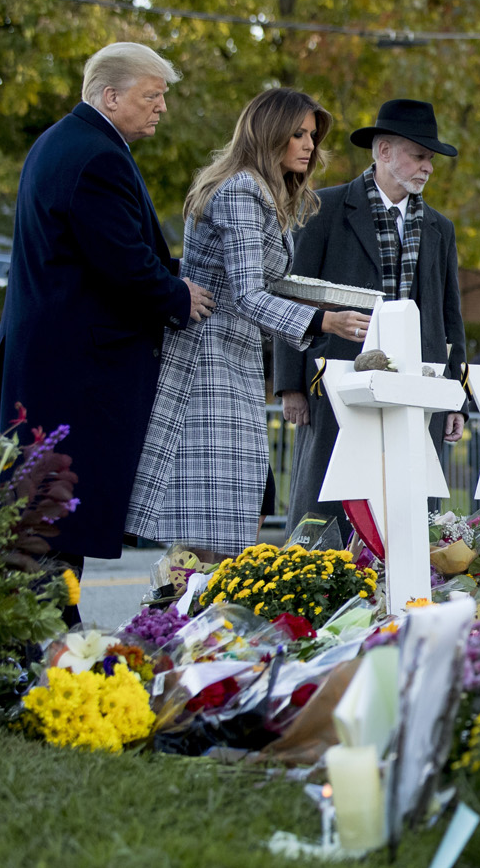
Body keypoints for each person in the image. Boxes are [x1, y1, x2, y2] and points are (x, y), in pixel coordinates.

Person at [0, 41, 216, 578]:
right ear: (111, 96)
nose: (162, 107)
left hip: (51, 362)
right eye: (152, 95)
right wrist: (178, 295)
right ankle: (47, 643)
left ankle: (48, 636)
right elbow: (122, 261)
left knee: (43, 514)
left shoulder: (60, 142)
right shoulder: (97, 156)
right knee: (56, 516)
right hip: (78, 372)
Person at [127, 89, 364, 558]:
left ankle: (198, 621)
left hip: (232, 358)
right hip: (205, 357)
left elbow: (267, 283)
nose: (309, 145)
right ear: (268, 131)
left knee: (226, 514)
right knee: (207, 520)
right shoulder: (240, 189)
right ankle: (178, 623)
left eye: (312, 136)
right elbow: (248, 293)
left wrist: (333, 296)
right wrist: (325, 320)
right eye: (297, 134)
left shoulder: (261, 191)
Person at [276, 98, 468, 537]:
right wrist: (290, 385)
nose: (427, 168)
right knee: (327, 498)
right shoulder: (322, 209)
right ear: (383, 152)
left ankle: (410, 594)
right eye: (419, 156)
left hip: (420, 384)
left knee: (413, 504)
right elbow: (292, 296)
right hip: (336, 376)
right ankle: (321, 585)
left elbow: (449, 315)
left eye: (430, 159)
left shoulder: (440, 227)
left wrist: (457, 393)